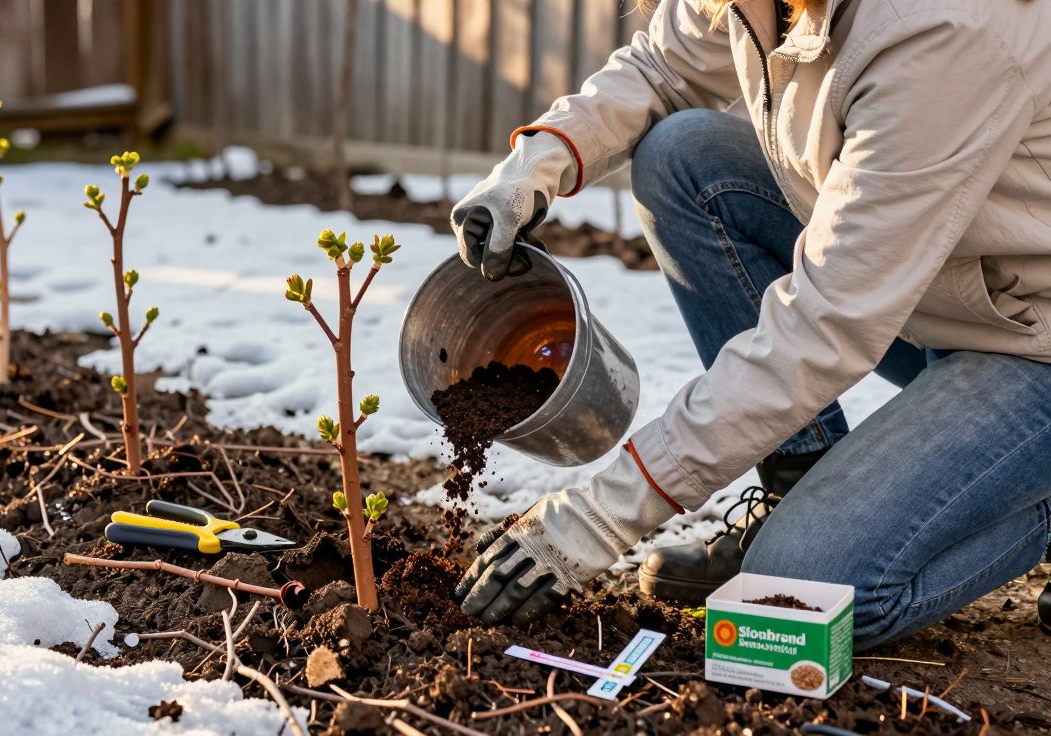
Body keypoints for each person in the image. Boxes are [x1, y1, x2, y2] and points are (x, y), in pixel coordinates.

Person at [450, 0, 1051, 649]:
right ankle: (797, 484)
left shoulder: (945, 27)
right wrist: (537, 161)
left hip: (1028, 338)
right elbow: (659, 67)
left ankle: (1031, 496)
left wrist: (599, 517)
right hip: (931, 292)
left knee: (796, 593)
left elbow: (824, 325)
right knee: (683, 156)